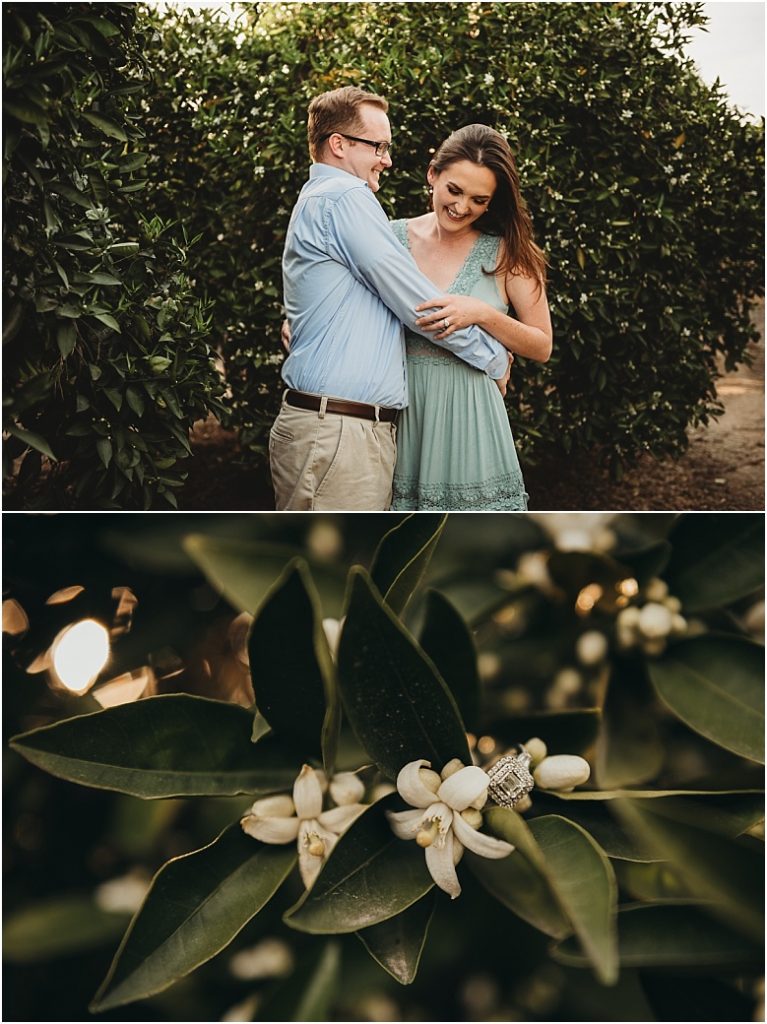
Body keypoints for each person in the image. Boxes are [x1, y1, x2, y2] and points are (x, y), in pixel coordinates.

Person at [270, 86, 511, 511]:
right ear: (339, 145)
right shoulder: (345, 198)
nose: (388, 159)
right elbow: (418, 304)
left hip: (340, 430)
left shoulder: (321, 200)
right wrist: (493, 358)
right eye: (378, 146)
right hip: (339, 433)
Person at [390, 123, 552, 510]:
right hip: (400, 414)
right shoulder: (389, 238)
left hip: (471, 420)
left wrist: (480, 313)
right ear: (433, 174)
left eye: (479, 200)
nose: (462, 207)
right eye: (454, 190)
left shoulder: (508, 254)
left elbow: (542, 345)